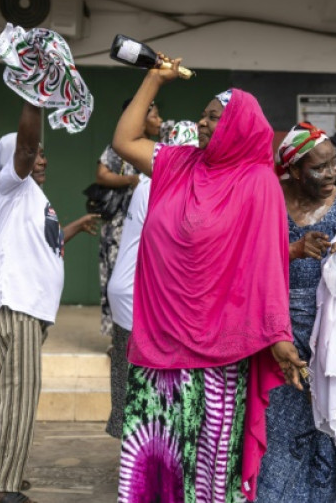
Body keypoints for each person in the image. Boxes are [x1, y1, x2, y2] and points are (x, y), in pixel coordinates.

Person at [111, 57, 306, 502]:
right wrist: (154, 78)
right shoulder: (178, 163)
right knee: (154, 461)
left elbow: (266, 266)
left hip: (218, 353)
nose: (202, 122)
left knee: (206, 473)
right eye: (202, 115)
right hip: (159, 345)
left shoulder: (259, 183)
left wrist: (278, 335)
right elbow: (124, 139)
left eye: (214, 117)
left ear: (238, 126)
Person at [0, 128, 98, 503]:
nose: (41, 159)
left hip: (25, 307)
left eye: (44, 154)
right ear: (14, 161)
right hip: (16, 304)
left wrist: (76, 226)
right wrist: (35, 94)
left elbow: (48, 243)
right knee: (21, 393)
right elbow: (25, 147)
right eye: (33, 153)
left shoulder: (30, 196)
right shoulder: (10, 185)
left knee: (8, 392)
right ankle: (3, 484)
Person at [256, 122, 336, 502]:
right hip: (275, 334)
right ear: (292, 168)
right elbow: (244, 262)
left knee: (330, 432)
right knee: (275, 433)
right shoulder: (267, 197)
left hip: (332, 337)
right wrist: (292, 249)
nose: (331, 173)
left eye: (333, 162)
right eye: (318, 167)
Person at [104, 120, 199, 440]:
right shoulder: (163, 183)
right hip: (138, 296)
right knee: (146, 387)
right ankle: (143, 460)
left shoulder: (147, 181)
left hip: (124, 290)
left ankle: (136, 452)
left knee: (127, 376)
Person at [96, 99, 161, 337]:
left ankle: (137, 333)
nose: (159, 121)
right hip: (120, 226)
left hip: (146, 227)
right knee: (117, 278)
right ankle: (118, 336)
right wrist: (131, 181)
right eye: (154, 116)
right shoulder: (121, 148)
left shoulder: (155, 149)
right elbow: (101, 174)